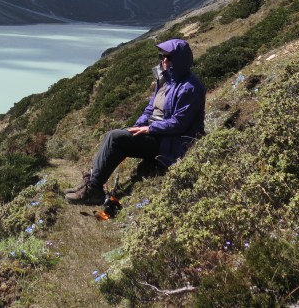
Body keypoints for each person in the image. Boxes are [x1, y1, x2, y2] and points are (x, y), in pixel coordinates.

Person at [65, 38, 206, 205]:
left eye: (169, 57)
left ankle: (94, 189)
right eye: (161, 56)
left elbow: (179, 124)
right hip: (157, 132)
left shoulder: (190, 87)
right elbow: (150, 109)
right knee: (114, 136)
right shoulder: (166, 80)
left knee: (116, 138)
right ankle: (92, 183)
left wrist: (150, 129)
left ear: (181, 60)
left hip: (171, 140)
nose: (164, 60)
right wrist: (139, 125)